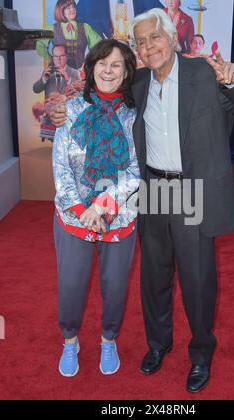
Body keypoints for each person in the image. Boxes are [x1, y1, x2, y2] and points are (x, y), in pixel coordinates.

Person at [50, 8, 234, 393]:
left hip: (191, 190)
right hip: (152, 189)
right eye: (141, 41)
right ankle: (158, 345)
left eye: (155, 37)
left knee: (198, 280)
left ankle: (201, 354)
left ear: (172, 37)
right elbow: (96, 100)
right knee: (154, 278)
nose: (149, 46)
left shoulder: (205, 73)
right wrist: (61, 110)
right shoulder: (136, 82)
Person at [53, 39, 140, 378]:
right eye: (102, 63)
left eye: (116, 64)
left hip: (118, 214)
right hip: (73, 215)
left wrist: (103, 206)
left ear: (126, 71)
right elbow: (61, 167)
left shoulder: (134, 117)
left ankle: (108, 340)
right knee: (72, 284)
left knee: (115, 285)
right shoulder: (71, 109)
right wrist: (80, 209)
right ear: (90, 69)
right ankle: (70, 341)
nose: (108, 70)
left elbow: (134, 169)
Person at [37, 0, 102, 69]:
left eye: (73, 7)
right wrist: (51, 60)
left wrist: (90, 62)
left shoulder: (86, 27)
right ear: (61, 10)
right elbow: (40, 46)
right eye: (68, 8)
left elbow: (100, 46)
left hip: (80, 73)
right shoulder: (51, 28)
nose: (72, 9)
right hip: (60, 73)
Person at [76, 0, 164, 39]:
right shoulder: (88, 2)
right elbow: (76, 21)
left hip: (138, 49)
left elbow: (162, 15)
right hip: (107, 49)